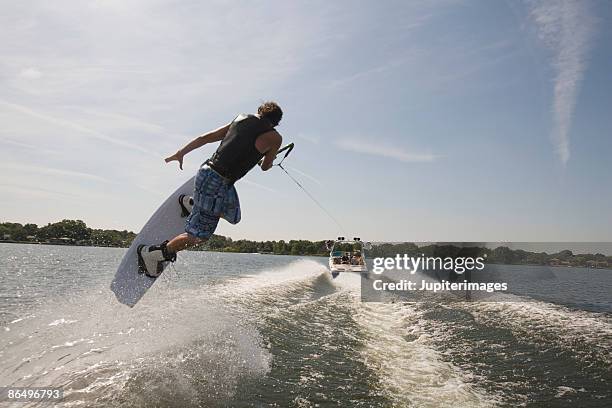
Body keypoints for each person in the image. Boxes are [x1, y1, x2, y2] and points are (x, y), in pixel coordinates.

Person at [137, 101, 283, 277]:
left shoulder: (240, 119)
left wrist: (181, 152)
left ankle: (191, 204)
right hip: (218, 183)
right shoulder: (275, 138)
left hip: (206, 172)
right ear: (275, 122)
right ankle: (154, 255)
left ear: (260, 111)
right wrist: (267, 158)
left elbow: (204, 138)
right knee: (199, 236)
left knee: (233, 215)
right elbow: (266, 166)